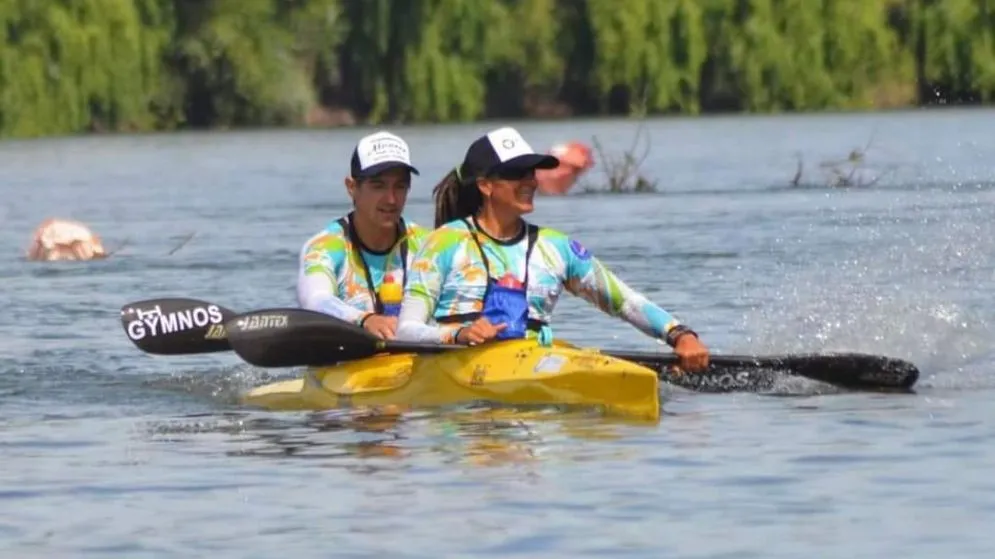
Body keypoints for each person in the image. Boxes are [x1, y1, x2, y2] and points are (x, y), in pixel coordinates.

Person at [394, 126, 710, 372]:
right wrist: (458, 335)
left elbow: (625, 302)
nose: (531, 181)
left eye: (531, 172)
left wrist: (680, 335)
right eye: (517, 173)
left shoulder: (556, 249)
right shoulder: (443, 243)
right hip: (452, 379)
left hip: (533, 369)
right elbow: (406, 331)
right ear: (486, 185)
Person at [297, 130, 428, 340]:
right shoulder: (325, 247)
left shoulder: (428, 245)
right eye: (378, 186)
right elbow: (315, 300)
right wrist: (365, 320)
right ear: (351, 187)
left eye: (400, 186)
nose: (391, 199)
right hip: (345, 364)